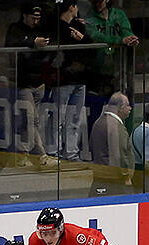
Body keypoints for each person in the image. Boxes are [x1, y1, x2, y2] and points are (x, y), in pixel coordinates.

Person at [4, 2, 56, 169]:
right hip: (23, 82)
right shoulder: (15, 29)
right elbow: (10, 44)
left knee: (32, 121)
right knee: (30, 119)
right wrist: (32, 42)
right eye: (33, 18)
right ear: (25, 16)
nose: (36, 21)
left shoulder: (41, 29)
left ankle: (26, 155)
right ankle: (38, 154)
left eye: (38, 18)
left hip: (39, 81)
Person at [85, 0, 139, 126]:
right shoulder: (89, 17)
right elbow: (95, 36)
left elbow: (126, 31)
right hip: (98, 71)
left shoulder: (119, 15)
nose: (97, 3)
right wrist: (120, 40)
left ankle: (124, 137)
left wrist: (130, 38)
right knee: (96, 111)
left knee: (124, 105)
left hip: (119, 70)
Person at [54, 0, 91, 162]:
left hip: (80, 78)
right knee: (58, 118)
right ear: (71, 7)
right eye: (76, 6)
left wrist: (81, 39)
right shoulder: (56, 27)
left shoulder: (79, 25)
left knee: (74, 119)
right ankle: (54, 152)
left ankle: (71, 152)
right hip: (63, 79)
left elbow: (90, 46)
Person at [88, 91, 134, 196]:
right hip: (115, 183)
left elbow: (91, 146)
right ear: (120, 107)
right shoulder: (115, 126)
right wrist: (125, 175)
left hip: (99, 179)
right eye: (127, 105)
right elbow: (119, 154)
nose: (130, 108)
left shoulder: (98, 122)